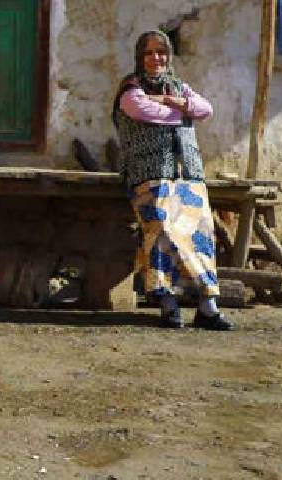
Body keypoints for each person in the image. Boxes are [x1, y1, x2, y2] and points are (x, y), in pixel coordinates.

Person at [113, 31, 234, 331]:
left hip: (186, 177)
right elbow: (148, 112)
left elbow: (206, 109)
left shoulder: (179, 87)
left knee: (201, 232)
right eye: (150, 53)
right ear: (140, 57)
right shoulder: (131, 90)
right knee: (161, 231)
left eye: (162, 52)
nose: (157, 58)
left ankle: (208, 307)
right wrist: (182, 108)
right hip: (149, 176)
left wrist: (170, 99)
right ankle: (167, 304)